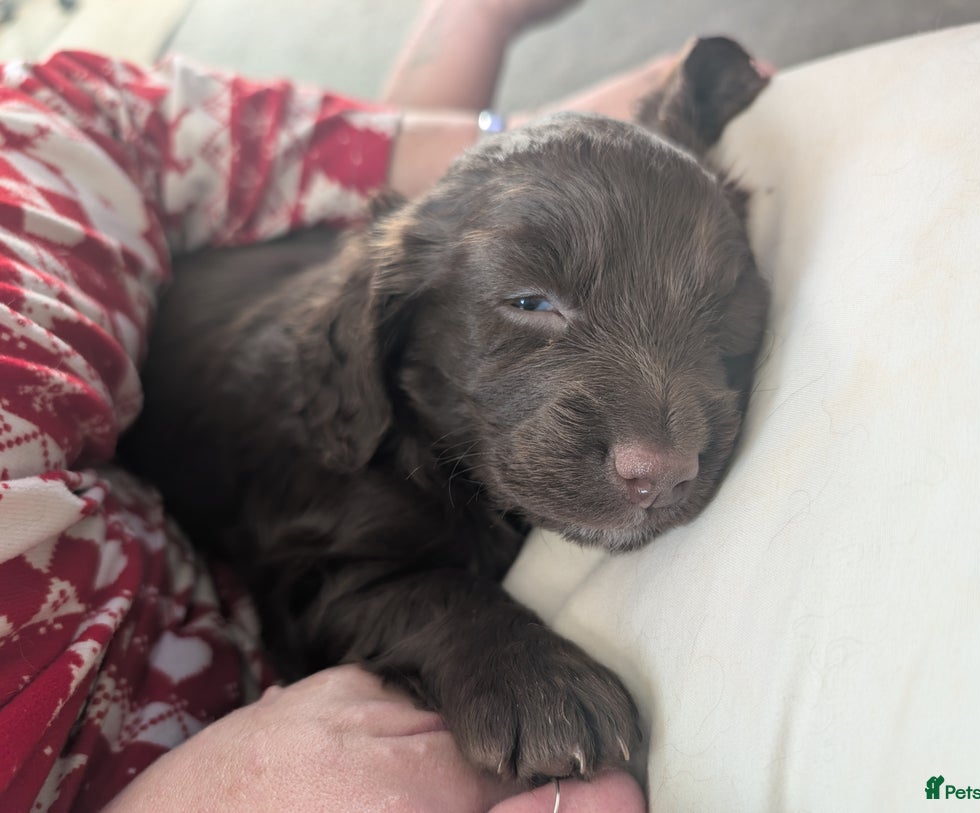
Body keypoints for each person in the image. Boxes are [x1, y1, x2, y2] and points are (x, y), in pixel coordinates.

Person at [0, 0, 673, 809]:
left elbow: (118, 121)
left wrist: (517, 155)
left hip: (198, 314)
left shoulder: (26, 228)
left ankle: (465, 27)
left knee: (397, 227)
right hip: (223, 606)